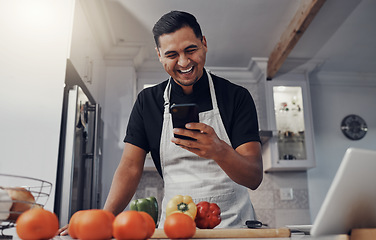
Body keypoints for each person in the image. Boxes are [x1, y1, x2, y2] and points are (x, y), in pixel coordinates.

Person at [59, 10, 262, 234]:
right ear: (159, 55)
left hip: (233, 229)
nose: (184, 62)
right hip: (176, 229)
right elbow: (130, 167)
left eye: (191, 49)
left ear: (203, 43)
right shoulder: (148, 102)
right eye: (172, 54)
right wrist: (105, 218)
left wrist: (220, 151)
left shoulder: (236, 97)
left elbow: (253, 177)